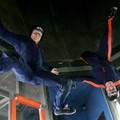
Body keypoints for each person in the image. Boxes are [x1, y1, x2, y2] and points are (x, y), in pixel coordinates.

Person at [0, 22, 76, 115]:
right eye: (35, 32)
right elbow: (3, 33)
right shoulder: (22, 41)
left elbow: (41, 64)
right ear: (31, 34)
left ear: (40, 38)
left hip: (37, 75)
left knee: (67, 83)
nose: (37, 35)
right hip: (25, 71)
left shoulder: (39, 50)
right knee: (14, 57)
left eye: (39, 34)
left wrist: (50, 69)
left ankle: (58, 108)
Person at [76, 7, 120, 101]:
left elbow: (83, 78)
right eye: (114, 90)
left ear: (106, 91)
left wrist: (64, 79)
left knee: (83, 53)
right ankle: (110, 18)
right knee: (108, 37)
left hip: (92, 59)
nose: (112, 88)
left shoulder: (97, 83)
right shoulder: (118, 79)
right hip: (104, 57)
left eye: (110, 91)